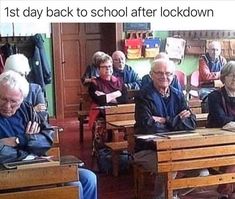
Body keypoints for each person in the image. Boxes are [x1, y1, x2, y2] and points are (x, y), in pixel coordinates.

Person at [0, 70, 97, 199]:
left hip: (37, 165)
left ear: (22, 99)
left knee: (89, 178)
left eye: (13, 102)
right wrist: (29, 152)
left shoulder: (27, 109)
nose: (7, 106)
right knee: (75, 184)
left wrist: (20, 140)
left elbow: (47, 137)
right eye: (3, 99)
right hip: (8, 172)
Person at [134, 58, 196, 199]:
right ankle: (163, 197)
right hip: (147, 149)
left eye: (168, 73)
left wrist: (165, 120)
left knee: (201, 170)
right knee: (170, 164)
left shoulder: (178, 94)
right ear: (151, 75)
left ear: (173, 76)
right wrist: (177, 120)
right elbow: (147, 126)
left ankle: (172, 194)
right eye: (159, 73)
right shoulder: (143, 95)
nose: (164, 77)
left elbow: (191, 123)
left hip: (177, 147)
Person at [206, 61, 235, 199]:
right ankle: (226, 192)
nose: (234, 78)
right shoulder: (214, 96)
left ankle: (226, 192)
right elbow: (221, 120)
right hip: (216, 141)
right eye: (231, 75)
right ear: (224, 77)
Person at [4, 54, 47, 118]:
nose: (18, 79)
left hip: (34, 127)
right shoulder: (3, 90)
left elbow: (42, 115)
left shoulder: (36, 89)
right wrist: (33, 110)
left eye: (21, 74)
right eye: (15, 75)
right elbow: (5, 117)